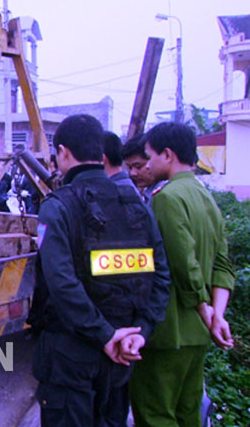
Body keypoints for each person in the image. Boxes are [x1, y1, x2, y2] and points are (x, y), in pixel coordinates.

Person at [31, 114, 171, 427]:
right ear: (101, 152)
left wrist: (104, 334)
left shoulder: (57, 206)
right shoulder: (138, 205)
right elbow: (161, 275)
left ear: (64, 152)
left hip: (71, 357)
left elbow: (61, 283)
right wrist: (141, 332)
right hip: (122, 354)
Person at [129, 122, 236, 427]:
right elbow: (223, 265)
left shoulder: (167, 198)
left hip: (167, 332)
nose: (146, 165)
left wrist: (205, 311)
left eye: (149, 157)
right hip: (199, 335)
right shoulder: (207, 198)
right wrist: (217, 316)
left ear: (168, 154)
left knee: (155, 414)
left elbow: (182, 264)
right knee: (189, 414)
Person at [122, 134, 165, 203]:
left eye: (138, 166)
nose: (133, 173)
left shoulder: (163, 195)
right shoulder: (149, 192)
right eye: (130, 168)